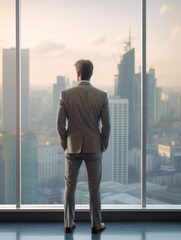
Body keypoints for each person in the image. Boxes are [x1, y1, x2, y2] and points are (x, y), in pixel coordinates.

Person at [57, 59, 110, 233]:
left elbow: (59, 124)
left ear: (78, 74)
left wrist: (66, 143)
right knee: (94, 187)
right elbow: (107, 125)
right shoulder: (101, 95)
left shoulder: (65, 94)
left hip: (72, 148)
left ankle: (67, 223)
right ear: (90, 74)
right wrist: (103, 143)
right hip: (94, 147)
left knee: (69, 186)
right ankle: (96, 224)